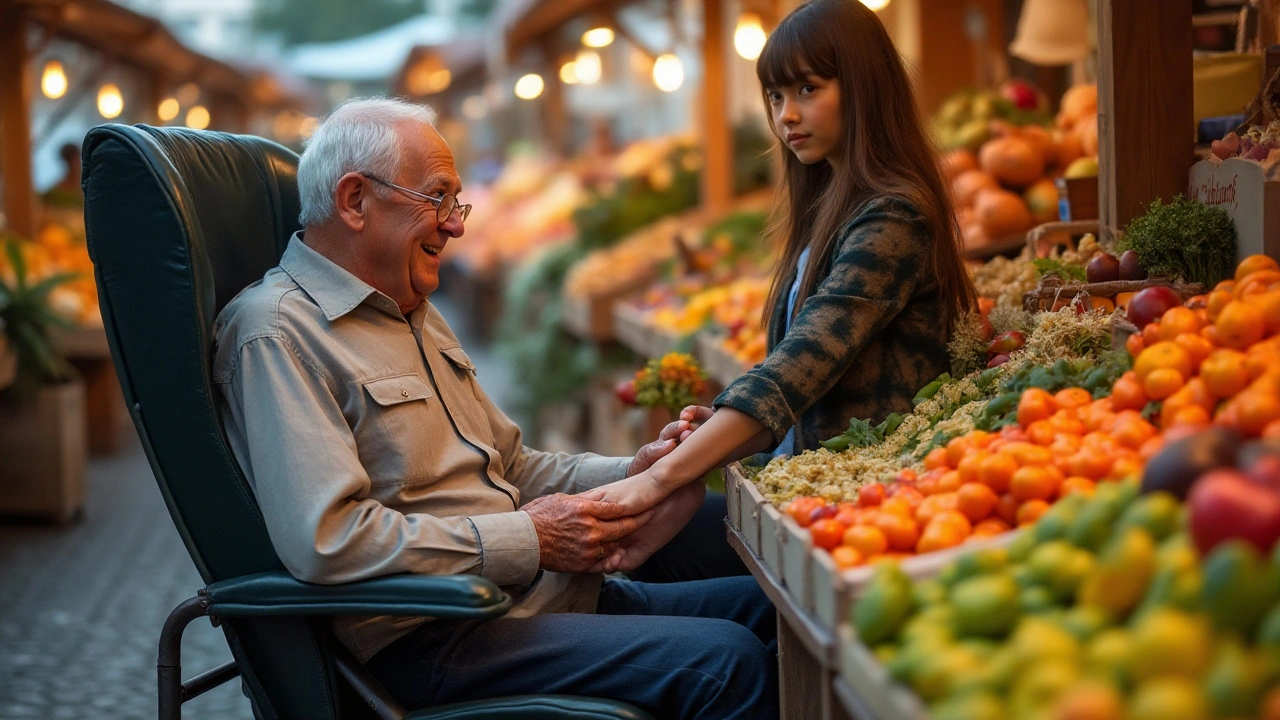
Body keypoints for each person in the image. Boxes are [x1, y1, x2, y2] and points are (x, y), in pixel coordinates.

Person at [212, 98, 777, 719]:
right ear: (354, 201)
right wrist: (529, 538)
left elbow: (511, 464)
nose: (456, 225)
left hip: (529, 604)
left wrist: (636, 471)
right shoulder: (275, 334)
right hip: (433, 638)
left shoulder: (412, 311)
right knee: (729, 661)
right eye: (439, 199)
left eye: (457, 202)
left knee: (773, 611)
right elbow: (328, 540)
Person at [589, 0, 978, 569]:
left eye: (807, 90)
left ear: (864, 87)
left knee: (646, 555)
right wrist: (727, 429)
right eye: (775, 96)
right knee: (634, 551)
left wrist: (659, 479)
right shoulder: (832, 206)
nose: (786, 115)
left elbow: (804, 360)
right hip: (810, 490)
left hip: (867, 509)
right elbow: (803, 382)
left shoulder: (894, 218)